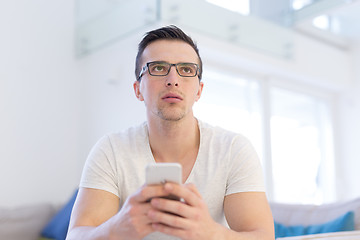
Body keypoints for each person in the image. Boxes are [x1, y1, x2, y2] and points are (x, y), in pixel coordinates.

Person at [66, 25, 275, 240]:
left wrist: (210, 233)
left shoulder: (233, 150)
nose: (173, 80)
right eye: (158, 68)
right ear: (138, 89)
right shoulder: (111, 150)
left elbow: (263, 236)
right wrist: (117, 228)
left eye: (186, 70)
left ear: (199, 91)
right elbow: (75, 236)